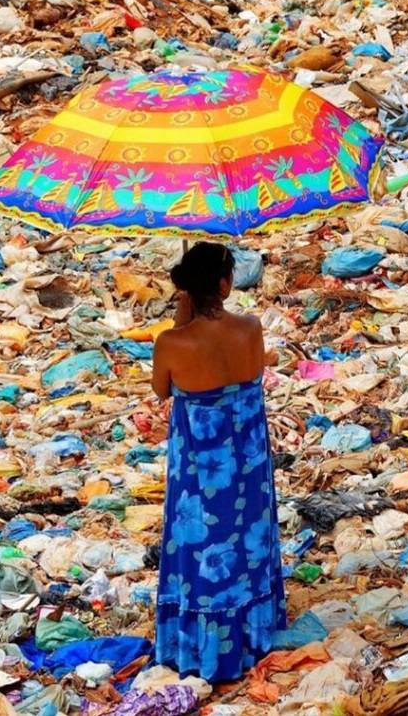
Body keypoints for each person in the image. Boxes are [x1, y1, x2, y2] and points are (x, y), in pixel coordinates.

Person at [151, 241, 286, 682]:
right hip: (247, 462)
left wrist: (180, 321)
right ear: (226, 284)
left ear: (186, 289)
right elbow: (251, 377)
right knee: (248, 537)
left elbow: (161, 391)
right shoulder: (250, 329)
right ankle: (253, 631)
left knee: (202, 545)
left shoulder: (171, 343)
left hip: (199, 471)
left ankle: (204, 639)